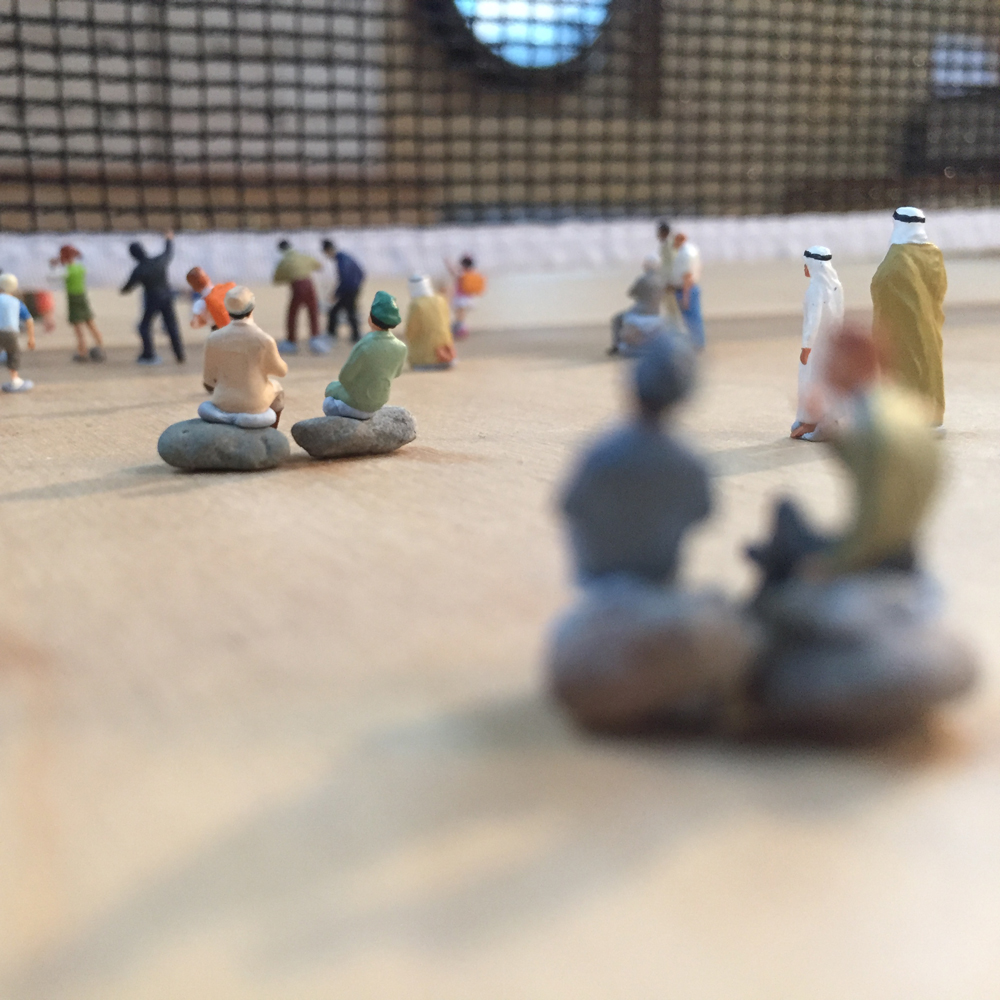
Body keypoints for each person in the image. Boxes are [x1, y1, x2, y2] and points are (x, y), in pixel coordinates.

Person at [749, 326, 941, 586]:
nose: (825, 368)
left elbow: (876, 523)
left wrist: (831, 565)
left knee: (782, 540)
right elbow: (865, 460)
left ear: (852, 365)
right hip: (903, 542)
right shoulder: (893, 404)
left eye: (831, 360)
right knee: (785, 520)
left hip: (878, 555)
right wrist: (830, 431)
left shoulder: (873, 427)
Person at [562, 334, 710, 586]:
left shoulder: (604, 452)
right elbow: (702, 511)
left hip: (602, 586)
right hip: (660, 585)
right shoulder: (688, 462)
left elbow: (572, 505)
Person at [871, 207, 947, 427]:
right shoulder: (933, 253)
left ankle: (909, 420)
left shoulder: (898, 257)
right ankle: (932, 414)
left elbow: (884, 284)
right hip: (930, 324)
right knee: (930, 367)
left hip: (902, 329)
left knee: (905, 370)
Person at [199, 286, 288, 430]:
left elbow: (208, 380)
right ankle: (271, 433)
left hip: (222, 401)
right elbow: (281, 371)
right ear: (252, 309)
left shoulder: (213, 338)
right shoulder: (264, 339)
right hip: (255, 403)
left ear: (228, 310)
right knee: (277, 388)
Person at [323, 290, 408, 420]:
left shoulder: (365, 344)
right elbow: (396, 373)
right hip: (379, 402)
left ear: (370, 319)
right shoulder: (401, 347)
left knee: (330, 394)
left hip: (355, 403)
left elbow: (345, 377)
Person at [792, 246, 844, 440]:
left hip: (817, 346)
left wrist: (806, 346)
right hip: (831, 342)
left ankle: (820, 423)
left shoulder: (815, 289)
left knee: (812, 382)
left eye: (806, 265)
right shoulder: (836, 285)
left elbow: (813, 321)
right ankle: (809, 421)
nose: (805, 269)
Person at [121, 230, 185, 364]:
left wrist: (124, 289)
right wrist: (169, 239)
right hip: (167, 297)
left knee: (144, 327)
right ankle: (179, 355)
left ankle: (148, 354)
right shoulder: (159, 261)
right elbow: (168, 252)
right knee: (172, 326)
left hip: (152, 299)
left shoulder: (139, 270)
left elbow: (127, 288)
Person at [49, 245, 105, 361]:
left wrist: (54, 265)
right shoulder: (80, 268)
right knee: (90, 322)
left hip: (73, 298)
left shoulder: (67, 271)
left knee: (78, 327)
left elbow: (51, 277)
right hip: (82, 296)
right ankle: (100, 345)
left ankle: (82, 351)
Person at [272, 239, 324, 355]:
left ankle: (291, 341)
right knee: (313, 312)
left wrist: (289, 276)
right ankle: (315, 339)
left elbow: (276, 280)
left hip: (297, 286)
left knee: (292, 314)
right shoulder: (303, 256)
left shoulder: (284, 261)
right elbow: (319, 266)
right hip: (309, 284)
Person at [609, 254, 667, 355]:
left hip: (640, 311)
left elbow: (631, 293)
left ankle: (617, 346)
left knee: (617, 319)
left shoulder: (642, 279)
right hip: (656, 311)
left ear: (647, 266)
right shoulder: (663, 280)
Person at [402, 275, 455, 370]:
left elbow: (411, 331)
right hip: (446, 354)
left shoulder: (416, 304)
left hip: (424, 361)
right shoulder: (440, 299)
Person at [321, 239, 365, 342]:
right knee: (348, 312)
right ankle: (354, 335)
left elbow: (345, 279)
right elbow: (361, 273)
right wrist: (357, 286)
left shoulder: (341, 260)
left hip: (348, 290)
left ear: (328, 250)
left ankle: (332, 334)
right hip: (351, 289)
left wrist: (336, 293)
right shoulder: (345, 257)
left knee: (338, 312)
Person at [0, 273, 36, 393]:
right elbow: (29, 320)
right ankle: (15, 380)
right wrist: (31, 338)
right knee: (13, 354)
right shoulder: (16, 302)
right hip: (11, 333)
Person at [670, 231, 704, 350]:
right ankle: (697, 342)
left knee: (690, 318)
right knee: (694, 317)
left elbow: (687, 275)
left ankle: (695, 343)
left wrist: (685, 296)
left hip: (686, 289)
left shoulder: (684, 254)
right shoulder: (692, 250)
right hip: (690, 288)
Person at [444, 254, 486, 339]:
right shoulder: (472, 273)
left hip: (461, 299)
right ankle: (460, 329)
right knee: (461, 315)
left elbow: (453, 271)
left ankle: (461, 330)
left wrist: (447, 262)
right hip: (468, 298)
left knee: (460, 315)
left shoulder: (462, 273)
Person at [656, 219, 685, 332]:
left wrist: (672, 283)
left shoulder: (670, 245)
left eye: (659, 232)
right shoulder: (666, 244)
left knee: (673, 311)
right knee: (670, 311)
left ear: (664, 232)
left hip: (671, 284)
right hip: (667, 282)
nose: (657, 235)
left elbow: (674, 264)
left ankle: (679, 334)